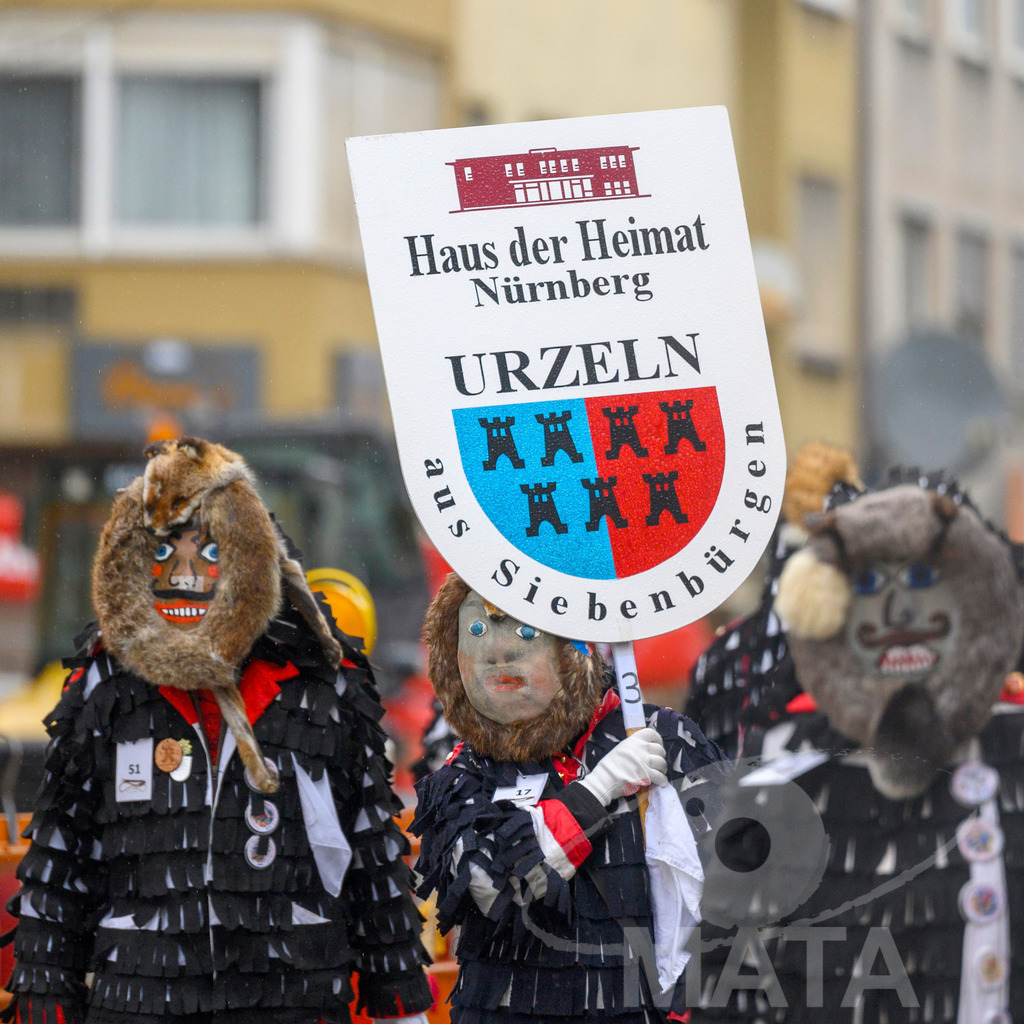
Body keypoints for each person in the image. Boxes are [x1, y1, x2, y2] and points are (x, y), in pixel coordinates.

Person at [1, 438, 432, 1024]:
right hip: (140, 996)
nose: (183, 573)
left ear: (245, 556)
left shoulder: (317, 685)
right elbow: (63, 853)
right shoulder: (105, 688)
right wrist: (47, 991)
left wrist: (397, 999)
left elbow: (368, 849)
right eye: (164, 551)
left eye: (205, 549)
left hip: (291, 996)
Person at [411, 573, 724, 1024]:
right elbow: (489, 886)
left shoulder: (665, 737)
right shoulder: (464, 771)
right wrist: (598, 790)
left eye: (524, 631)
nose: (498, 653)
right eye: (477, 630)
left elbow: (735, 881)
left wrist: (689, 1003)